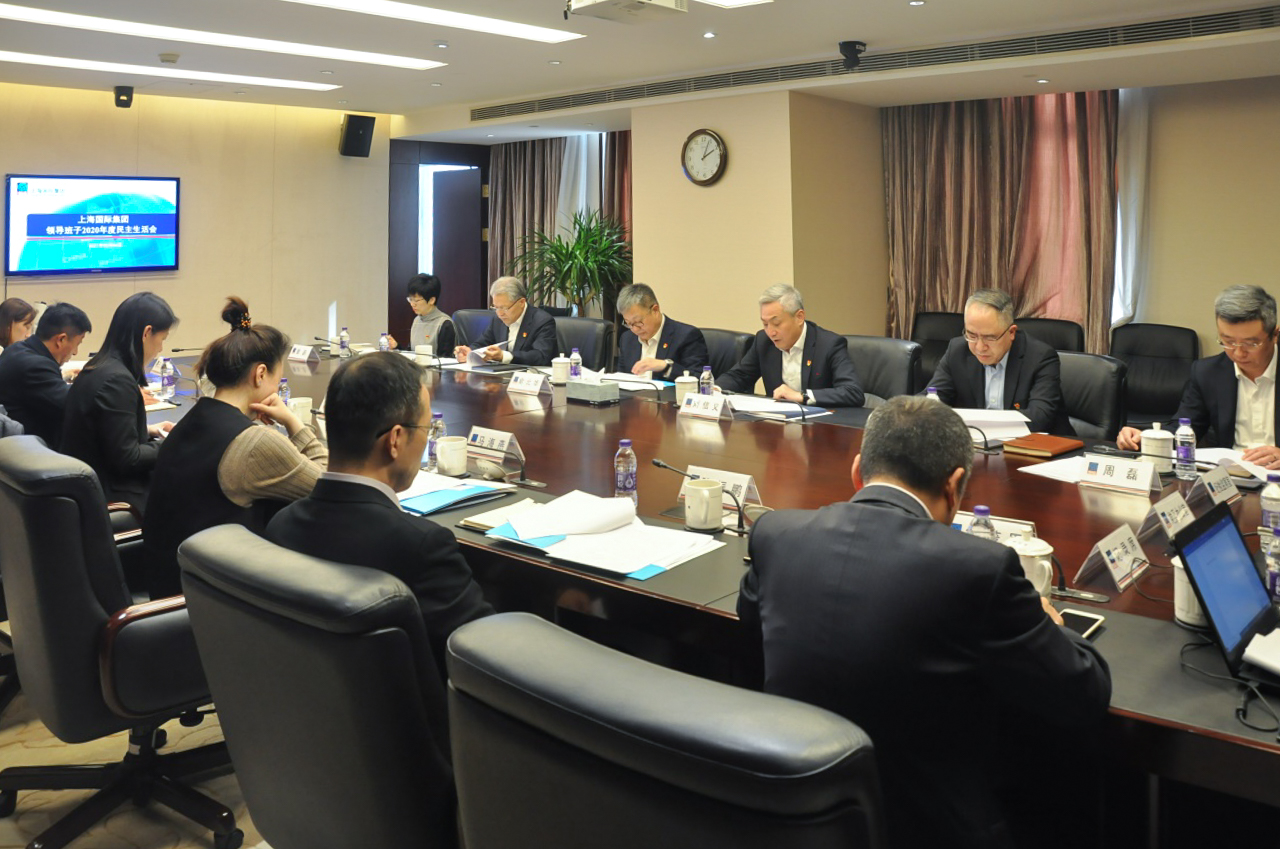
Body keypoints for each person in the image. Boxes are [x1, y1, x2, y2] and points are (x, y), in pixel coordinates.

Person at [739, 395, 1111, 849]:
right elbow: (1084, 693)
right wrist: (1051, 622)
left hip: (796, 816)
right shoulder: (980, 568)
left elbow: (751, 632)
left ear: (857, 471)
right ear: (954, 486)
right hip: (931, 829)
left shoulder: (777, 535)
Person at [265, 352, 493, 679]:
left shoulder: (281, 525)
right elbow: (487, 655)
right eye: (426, 428)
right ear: (395, 440)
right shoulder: (422, 546)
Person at [143, 297, 326, 599]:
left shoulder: (193, 418)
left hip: (173, 586)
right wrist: (294, 422)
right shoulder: (254, 443)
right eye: (278, 380)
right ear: (260, 374)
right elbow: (332, 488)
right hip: (216, 603)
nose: (277, 390)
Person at [1117, 285, 1280, 468]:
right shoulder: (1208, 372)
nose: (1238, 353)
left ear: (1275, 335)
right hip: (1233, 474)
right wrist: (1146, 438)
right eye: (1228, 342)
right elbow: (1184, 428)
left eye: (1251, 344)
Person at [61, 293, 178, 513]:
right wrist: (173, 442)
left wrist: (149, 430)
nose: (160, 349)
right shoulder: (117, 380)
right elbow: (128, 459)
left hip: (90, 485)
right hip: (113, 496)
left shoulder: (97, 367)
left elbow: (102, 432)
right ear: (147, 333)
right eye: (162, 339)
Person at [926, 288, 1068, 434]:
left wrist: (978, 426)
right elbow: (930, 400)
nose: (980, 347)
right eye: (972, 335)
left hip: (1038, 444)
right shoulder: (957, 351)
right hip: (976, 444)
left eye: (990, 338)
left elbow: (1040, 417)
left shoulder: (1040, 358)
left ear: (1011, 332)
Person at [715, 283, 864, 407]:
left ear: (799, 317)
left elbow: (853, 392)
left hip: (820, 426)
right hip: (778, 425)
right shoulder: (763, 341)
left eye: (776, 323)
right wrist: (714, 390)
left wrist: (802, 396)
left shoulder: (829, 344)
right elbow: (739, 376)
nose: (771, 332)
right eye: (765, 324)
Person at [0, 302, 92, 450]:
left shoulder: (17, 349)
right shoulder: (35, 366)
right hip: (31, 450)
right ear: (61, 340)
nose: (75, 352)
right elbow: (76, 405)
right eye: (77, 344)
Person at [454, 277, 557, 367]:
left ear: (521, 302)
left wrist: (504, 356)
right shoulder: (497, 319)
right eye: (496, 307)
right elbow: (483, 343)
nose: (500, 313)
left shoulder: (542, 321)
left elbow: (541, 356)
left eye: (504, 308)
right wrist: (470, 352)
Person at [615, 283, 708, 379]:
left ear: (655, 310)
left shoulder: (686, 336)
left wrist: (666, 367)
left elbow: (699, 378)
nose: (634, 329)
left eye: (638, 322)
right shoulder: (627, 339)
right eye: (628, 323)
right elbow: (621, 378)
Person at [406, 273, 456, 355]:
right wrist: (397, 346)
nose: (412, 304)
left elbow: (445, 358)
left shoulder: (444, 324)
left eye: (416, 300)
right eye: (410, 299)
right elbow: (411, 352)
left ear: (431, 300)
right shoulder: (417, 320)